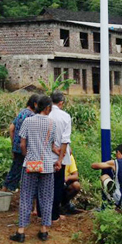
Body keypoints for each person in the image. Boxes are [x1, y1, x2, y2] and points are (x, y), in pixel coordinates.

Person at [10, 95, 61, 243]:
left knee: (26, 196)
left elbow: (22, 144)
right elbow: (53, 146)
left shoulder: (28, 121)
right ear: (47, 108)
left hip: (30, 164)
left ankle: (21, 231)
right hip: (46, 165)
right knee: (46, 197)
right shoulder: (52, 123)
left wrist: (28, 156)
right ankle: (44, 230)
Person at [2, 94, 39, 192]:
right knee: (31, 174)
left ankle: (4, 191)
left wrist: (14, 144)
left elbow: (11, 128)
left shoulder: (22, 112)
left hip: (17, 147)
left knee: (14, 170)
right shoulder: (32, 116)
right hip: (26, 149)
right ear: (35, 104)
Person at [47, 90, 72, 222]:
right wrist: (60, 158)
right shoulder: (65, 116)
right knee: (57, 185)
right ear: (61, 103)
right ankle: (54, 215)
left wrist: (52, 147)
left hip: (45, 156)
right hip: (59, 158)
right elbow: (65, 140)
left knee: (44, 185)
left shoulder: (45, 113)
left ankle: (41, 213)